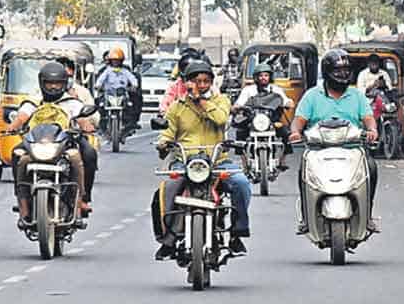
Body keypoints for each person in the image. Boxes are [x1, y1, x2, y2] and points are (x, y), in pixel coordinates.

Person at [151, 59, 252, 260]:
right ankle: (169, 239)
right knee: (166, 191)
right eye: (197, 81)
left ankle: (237, 233)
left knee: (241, 183)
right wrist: (163, 143)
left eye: (206, 81)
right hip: (186, 161)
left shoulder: (221, 101)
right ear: (187, 82)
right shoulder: (177, 107)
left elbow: (221, 119)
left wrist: (201, 101)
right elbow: (169, 132)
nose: (202, 85)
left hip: (216, 161)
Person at [289, 48, 379, 233]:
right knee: (303, 172)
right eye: (338, 70)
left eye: (346, 70)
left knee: (371, 167)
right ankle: (306, 217)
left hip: (352, 148)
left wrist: (372, 130)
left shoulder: (356, 95)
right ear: (328, 72)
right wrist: (296, 132)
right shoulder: (312, 95)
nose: (343, 74)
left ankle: (367, 214)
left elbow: (368, 117)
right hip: (318, 150)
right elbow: (298, 121)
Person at [6, 62, 92, 225]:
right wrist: (12, 127)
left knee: (86, 154)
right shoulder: (33, 102)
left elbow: (82, 119)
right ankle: (23, 204)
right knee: (18, 157)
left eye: (57, 83)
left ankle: (81, 199)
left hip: (64, 145)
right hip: (35, 145)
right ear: (41, 83)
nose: (53, 87)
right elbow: (21, 117)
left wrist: (86, 127)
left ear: (64, 84)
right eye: (49, 83)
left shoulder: (72, 102)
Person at [232, 62, 294, 170]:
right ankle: (244, 162)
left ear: (270, 77)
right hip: (253, 121)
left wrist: (289, 103)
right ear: (256, 77)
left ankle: (282, 160)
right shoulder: (248, 90)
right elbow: (239, 102)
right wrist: (237, 107)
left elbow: (286, 101)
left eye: (265, 75)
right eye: (260, 76)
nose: (263, 78)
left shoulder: (276, 90)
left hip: (271, 121)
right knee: (240, 134)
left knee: (286, 133)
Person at [57, 56, 100, 203]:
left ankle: (83, 198)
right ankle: (24, 201)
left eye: (67, 76)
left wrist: (87, 122)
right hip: (47, 139)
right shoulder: (39, 93)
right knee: (20, 155)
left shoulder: (81, 93)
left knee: (89, 154)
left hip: (72, 137)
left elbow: (94, 117)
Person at [96, 47, 140, 132]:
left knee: (130, 106)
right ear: (110, 61)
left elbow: (132, 78)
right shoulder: (107, 71)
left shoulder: (125, 71)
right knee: (100, 105)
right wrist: (98, 86)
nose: (115, 62)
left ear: (121, 61)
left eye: (118, 60)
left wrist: (134, 85)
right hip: (109, 93)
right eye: (114, 60)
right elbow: (100, 80)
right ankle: (102, 125)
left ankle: (128, 125)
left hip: (122, 93)